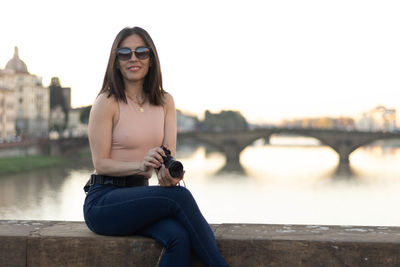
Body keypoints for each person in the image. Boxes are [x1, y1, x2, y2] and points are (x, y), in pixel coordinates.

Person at [83, 26, 229, 267]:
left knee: (178, 237)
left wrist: (168, 175)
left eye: (141, 52)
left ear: (151, 59)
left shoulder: (165, 101)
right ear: (116, 61)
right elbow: (100, 163)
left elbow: (167, 156)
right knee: (180, 198)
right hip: (104, 202)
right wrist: (140, 165)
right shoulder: (106, 101)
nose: (133, 58)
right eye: (124, 53)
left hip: (140, 199)